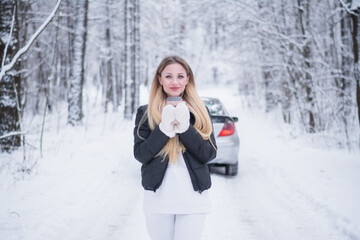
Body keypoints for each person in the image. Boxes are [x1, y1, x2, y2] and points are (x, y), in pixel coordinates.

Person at [133, 55, 217, 240]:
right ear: (159, 79)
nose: (174, 81)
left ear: (188, 79)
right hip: (158, 198)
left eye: (180, 76)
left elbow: (208, 154)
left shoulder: (201, 112)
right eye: (168, 76)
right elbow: (141, 154)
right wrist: (163, 129)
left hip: (193, 200)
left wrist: (186, 129)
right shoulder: (145, 113)